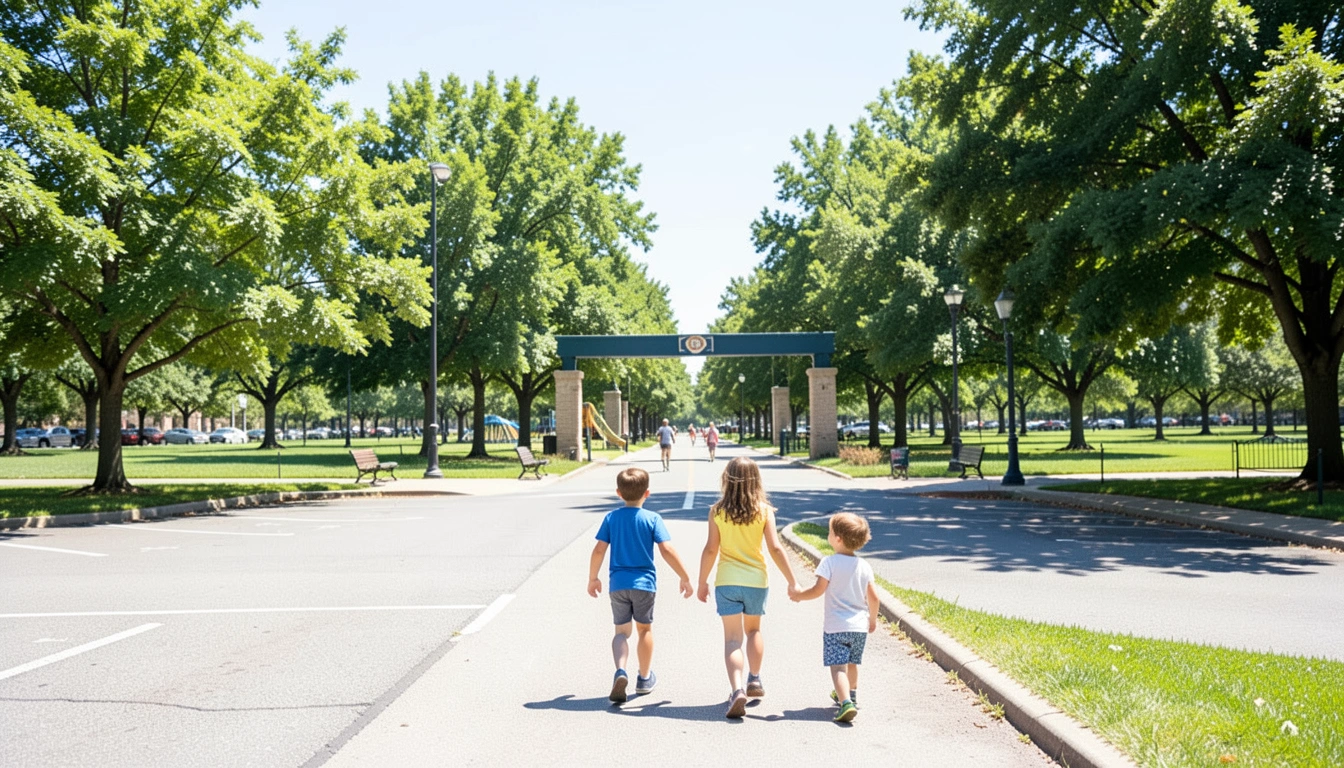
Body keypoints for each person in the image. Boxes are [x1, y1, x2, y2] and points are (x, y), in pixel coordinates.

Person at [696, 456, 797, 719]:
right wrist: (791, 580)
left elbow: (710, 549)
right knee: (754, 631)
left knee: (732, 639)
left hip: (727, 580)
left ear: (726, 479)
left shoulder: (717, 511)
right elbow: (775, 548)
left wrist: (702, 581)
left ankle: (736, 688)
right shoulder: (764, 511)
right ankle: (755, 678)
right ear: (756, 480)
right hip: (756, 581)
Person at [588, 467, 693, 703]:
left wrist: (593, 577)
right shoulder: (652, 519)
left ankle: (621, 670)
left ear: (618, 493)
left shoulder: (611, 518)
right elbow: (667, 550)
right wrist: (685, 576)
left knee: (621, 632)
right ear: (647, 493)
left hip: (618, 584)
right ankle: (644, 678)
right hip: (645, 585)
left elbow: (598, 550)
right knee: (644, 629)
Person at [788, 512, 879, 723]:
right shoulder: (864, 566)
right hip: (858, 627)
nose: (828, 535)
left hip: (836, 627)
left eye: (829, 532)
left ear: (838, 538)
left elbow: (818, 589)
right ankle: (852, 695)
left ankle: (845, 702)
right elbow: (873, 597)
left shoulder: (829, 563)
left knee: (838, 667)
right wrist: (872, 619)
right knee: (852, 663)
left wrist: (799, 595)